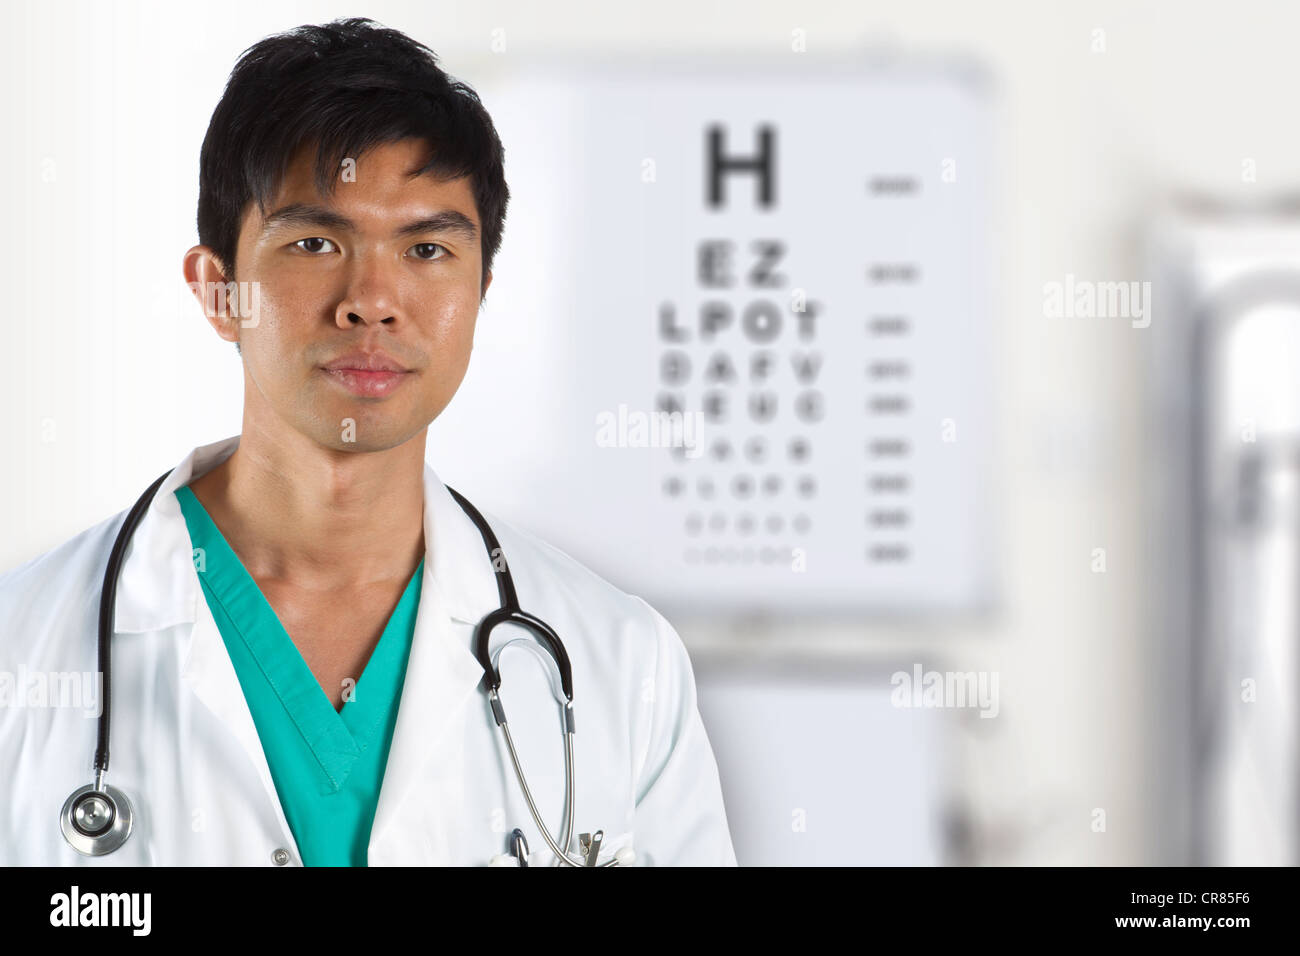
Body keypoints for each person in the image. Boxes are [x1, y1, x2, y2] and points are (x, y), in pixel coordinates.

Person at [0, 17, 737, 867]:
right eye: (315, 242)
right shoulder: (25, 651)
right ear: (217, 291)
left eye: (427, 248)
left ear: (480, 292)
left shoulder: (619, 661)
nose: (373, 301)